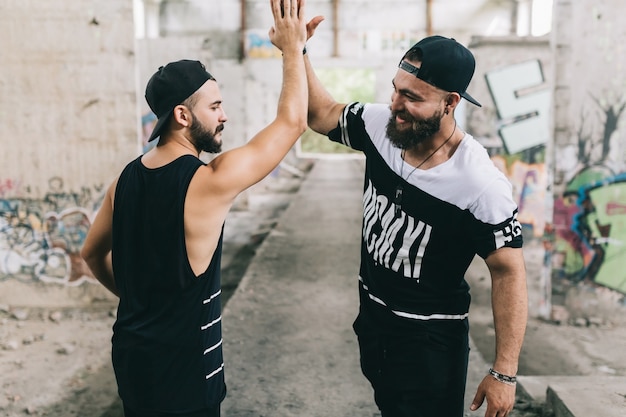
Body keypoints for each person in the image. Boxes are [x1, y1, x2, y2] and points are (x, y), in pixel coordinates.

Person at [79, 1, 307, 416]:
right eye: (215, 106)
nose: (225, 116)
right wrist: (294, 50)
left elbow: (91, 254)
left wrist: (138, 302)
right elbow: (292, 124)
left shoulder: (124, 180)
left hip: (133, 360)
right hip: (185, 376)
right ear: (183, 115)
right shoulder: (208, 181)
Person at [299, 18, 528, 417]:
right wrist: (296, 50)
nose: (395, 105)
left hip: (428, 344)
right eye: (395, 89)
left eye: (412, 97)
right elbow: (321, 115)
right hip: (372, 323)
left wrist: (504, 372)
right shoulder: (381, 127)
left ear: (451, 102)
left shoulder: (480, 184)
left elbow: (508, 271)